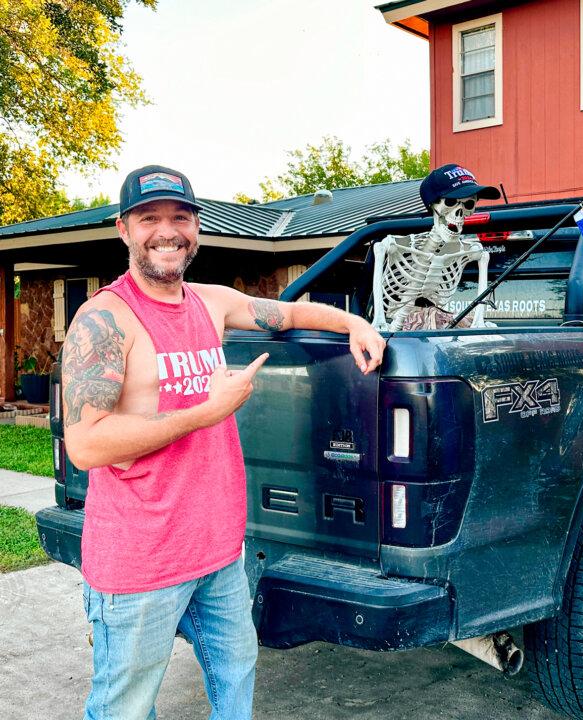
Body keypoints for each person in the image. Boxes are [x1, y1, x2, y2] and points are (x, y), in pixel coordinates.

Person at [61, 164, 386, 720]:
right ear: (124, 230)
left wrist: (354, 325)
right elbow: (86, 446)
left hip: (216, 553)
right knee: (124, 707)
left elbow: (287, 313)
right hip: (140, 563)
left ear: (197, 227)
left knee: (236, 680)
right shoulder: (105, 319)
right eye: (149, 219)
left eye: (180, 217)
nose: (167, 230)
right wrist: (205, 412)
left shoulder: (211, 302)